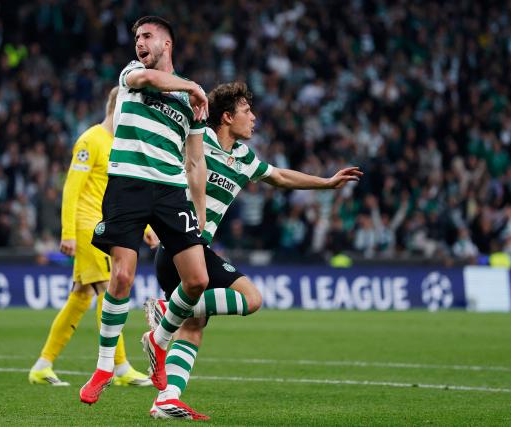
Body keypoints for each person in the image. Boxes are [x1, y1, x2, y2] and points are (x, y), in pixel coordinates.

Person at [145, 82, 362, 419]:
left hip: (196, 251)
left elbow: (280, 177)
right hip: (181, 246)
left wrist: (326, 183)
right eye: (247, 111)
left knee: (194, 326)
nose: (254, 118)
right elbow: (159, 176)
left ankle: (166, 398)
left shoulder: (243, 157)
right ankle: (166, 310)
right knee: (252, 298)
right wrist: (148, 223)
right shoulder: (195, 140)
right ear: (227, 117)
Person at [79, 16, 212, 410]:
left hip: (170, 190)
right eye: (137, 36)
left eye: (147, 36)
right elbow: (149, 82)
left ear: (166, 44)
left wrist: (201, 216)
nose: (139, 42)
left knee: (198, 279)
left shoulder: (191, 103)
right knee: (121, 276)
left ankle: (157, 339)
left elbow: (195, 161)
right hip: (128, 183)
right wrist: (192, 85)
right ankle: (104, 366)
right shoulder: (133, 72)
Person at [28, 87, 156, 387]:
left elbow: (126, 194)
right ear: (118, 108)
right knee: (109, 292)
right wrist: (68, 233)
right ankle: (121, 367)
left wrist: (148, 228)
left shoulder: (121, 145)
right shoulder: (90, 140)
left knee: (81, 297)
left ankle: (42, 365)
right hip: (88, 229)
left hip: (107, 226)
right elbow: (72, 188)